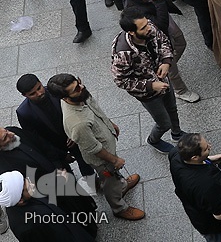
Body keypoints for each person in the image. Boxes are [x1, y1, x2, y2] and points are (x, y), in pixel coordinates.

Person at [46, 73, 145, 220]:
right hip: (103, 160)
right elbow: (94, 148)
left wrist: (110, 123)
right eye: (76, 89)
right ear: (65, 98)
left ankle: (122, 185)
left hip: (107, 146)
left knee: (114, 176)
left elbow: (96, 110)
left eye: (78, 82)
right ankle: (119, 208)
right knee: (109, 183)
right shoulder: (77, 123)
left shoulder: (80, 94)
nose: (82, 87)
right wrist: (114, 160)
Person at [112, 7, 185, 154]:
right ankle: (153, 140)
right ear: (131, 32)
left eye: (147, 23)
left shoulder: (149, 27)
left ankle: (177, 133)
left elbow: (164, 41)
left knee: (172, 108)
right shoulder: (124, 53)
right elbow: (121, 81)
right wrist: (151, 85)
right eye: (143, 27)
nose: (149, 28)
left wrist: (166, 61)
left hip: (163, 80)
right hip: (148, 94)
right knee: (163, 123)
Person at [15, 74, 95, 179]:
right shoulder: (24, 112)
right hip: (54, 148)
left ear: (40, 82)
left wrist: (74, 134)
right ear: (24, 95)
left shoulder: (57, 92)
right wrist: (61, 155)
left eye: (39, 88)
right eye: (32, 94)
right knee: (66, 178)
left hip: (75, 137)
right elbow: (36, 139)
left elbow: (78, 109)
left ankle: (93, 181)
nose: (39, 93)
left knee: (86, 164)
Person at [169, 133, 221, 241]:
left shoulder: (175, 154)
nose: (210, 146)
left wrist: (208, 159)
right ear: (195, 157)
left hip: (196, 214)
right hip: (219, 229)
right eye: (206, 149)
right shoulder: (207, 185)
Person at [0, 171, 96, 241]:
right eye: (27, 187)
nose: (32, 184)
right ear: (20, 200)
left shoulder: (26, 197)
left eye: (26, 179)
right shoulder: (26, 228)